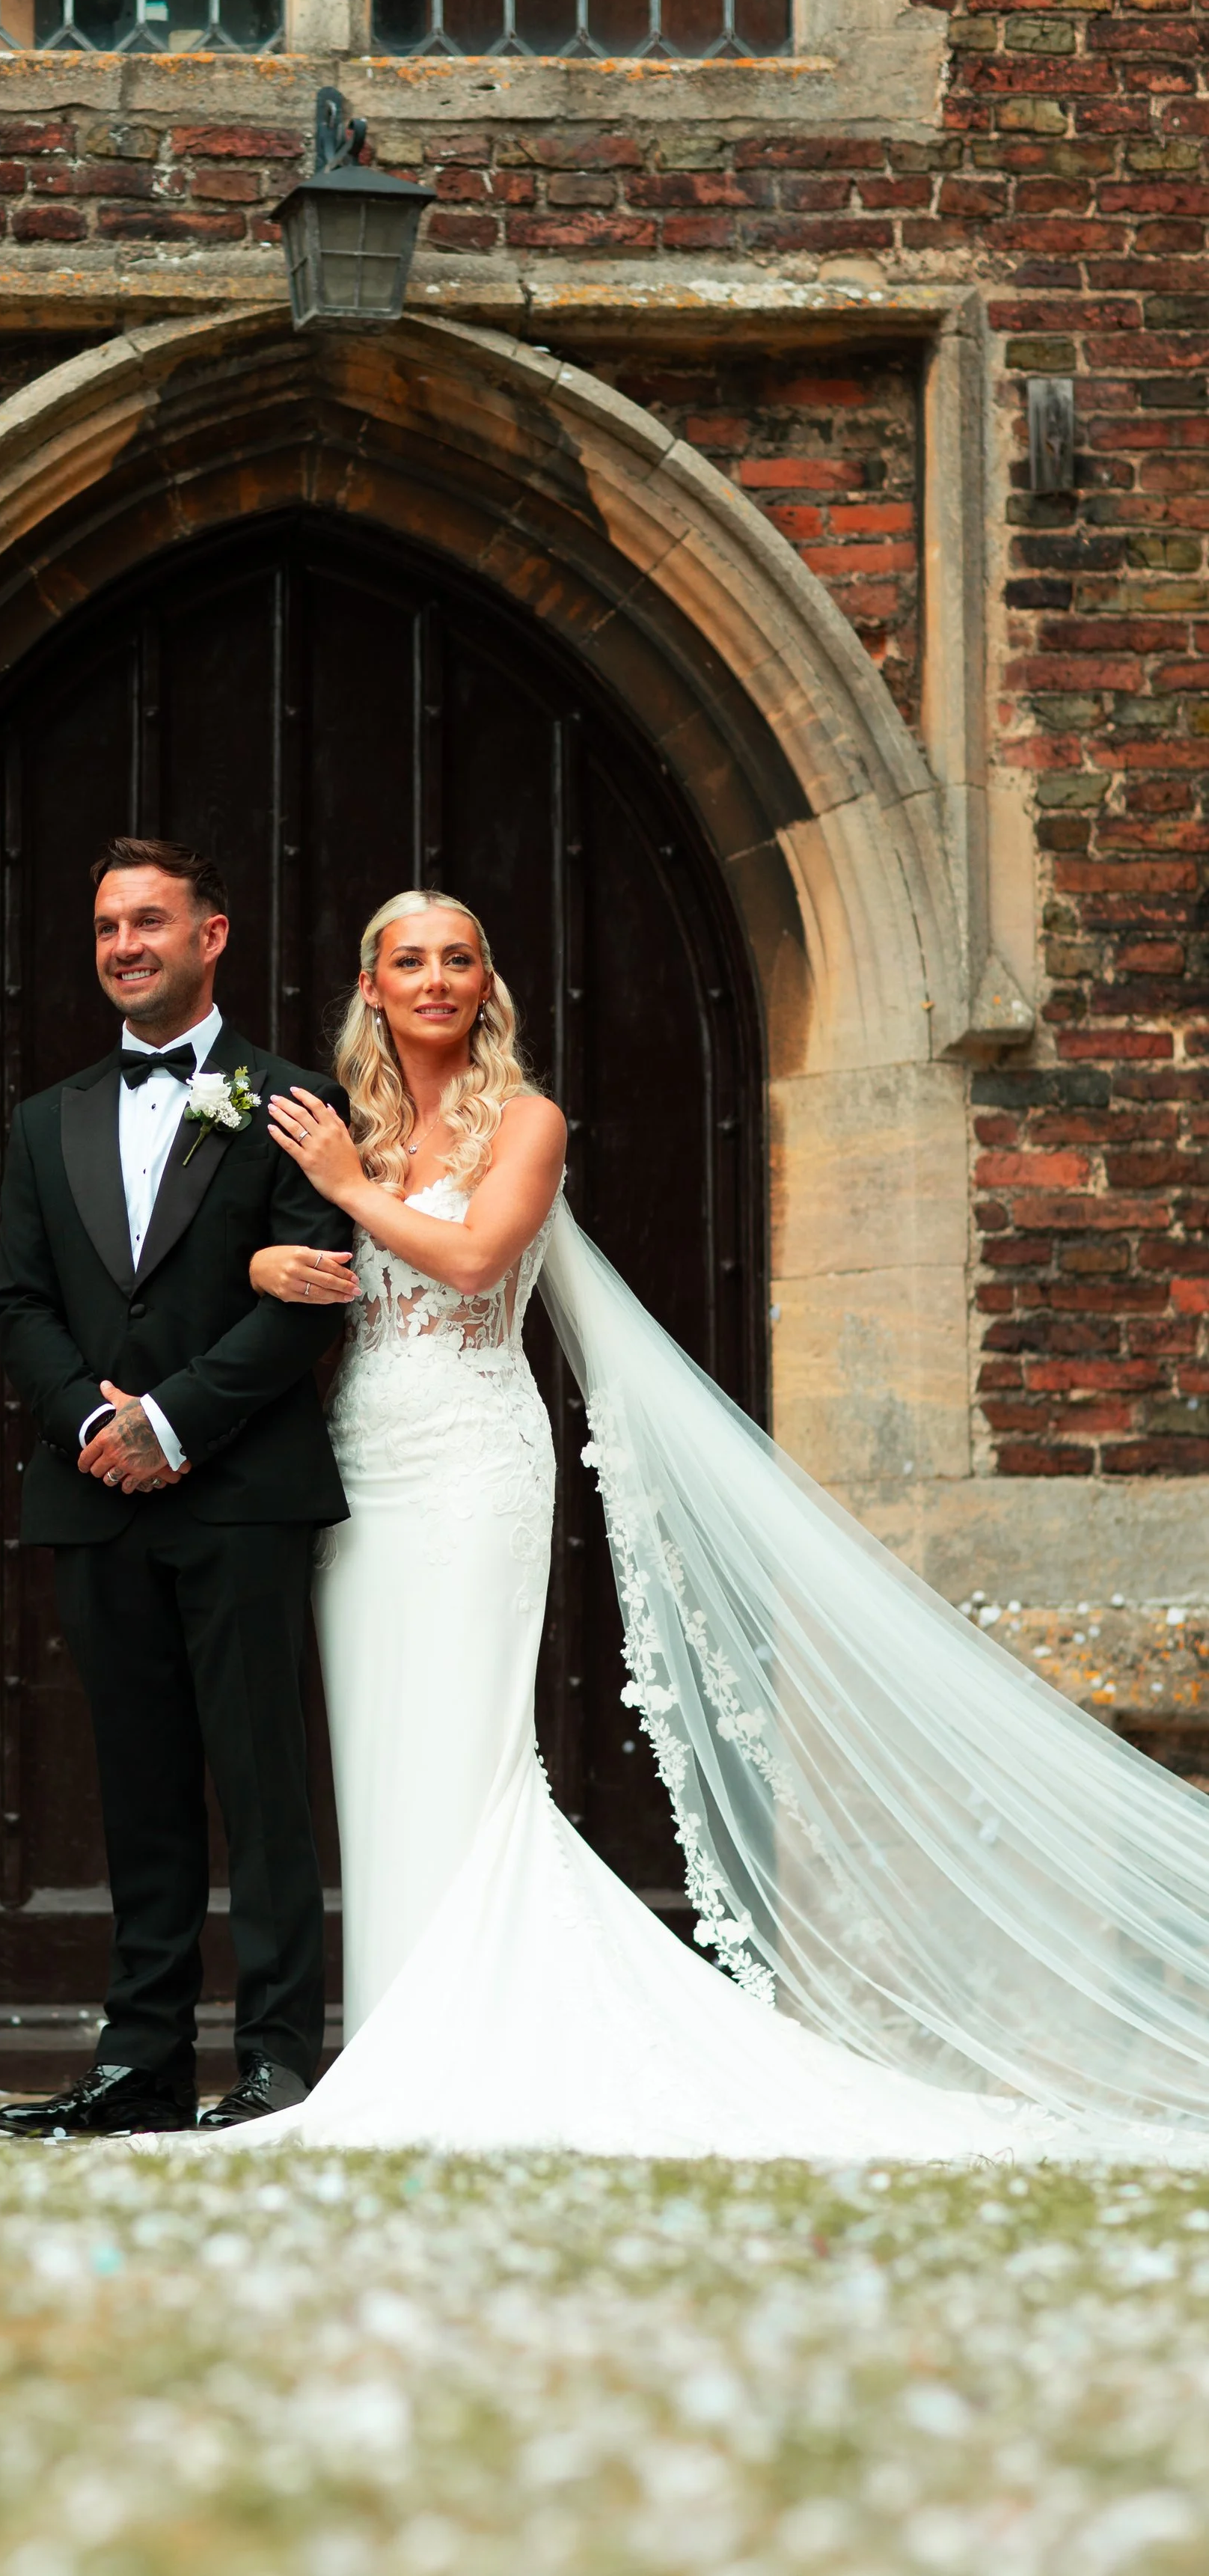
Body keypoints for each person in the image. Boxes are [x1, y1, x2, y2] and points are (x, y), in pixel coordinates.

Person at [219, 888, 1209, 2159]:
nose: (435, 979)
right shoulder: (339, 1127)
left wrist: (351, 1193)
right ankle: (396, 2042)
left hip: (475, 1467)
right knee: (376, 1744)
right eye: (409, 961)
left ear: (486, 981)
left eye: (459, 958)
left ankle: (475, 2053)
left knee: (465, 1755)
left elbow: (473, 1264)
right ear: (371, 985)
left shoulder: (524, 1121)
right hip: (362, 1470)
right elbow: (283, 1260)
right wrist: (265, 1260)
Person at [0, 839, 352, 2138]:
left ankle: (277, 2064)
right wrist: (96, 1416)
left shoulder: (292, 1103)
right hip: (92, 1493)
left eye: (149, 921)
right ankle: (138, 2065)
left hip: (238, 1489)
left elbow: (313, 1291)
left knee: (260, 1788)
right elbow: (21, 1304)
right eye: (104, 927)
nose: (124, 945)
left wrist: (173, 1421)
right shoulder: (49, 1118)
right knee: (137, 1790)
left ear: (213, 936)